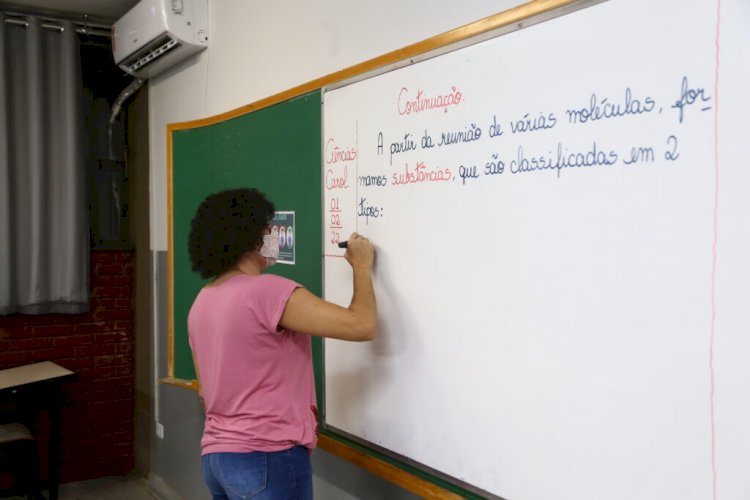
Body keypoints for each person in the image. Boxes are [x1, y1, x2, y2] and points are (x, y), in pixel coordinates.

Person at [186, 187, 376, 500]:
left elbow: (206, 392)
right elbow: (362, 325)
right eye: (268, 228)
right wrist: (362, 266)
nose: (274, 235)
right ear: (250, 237)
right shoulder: (268, 292)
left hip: (218, 459)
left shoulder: (202, 301)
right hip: (267, 457)